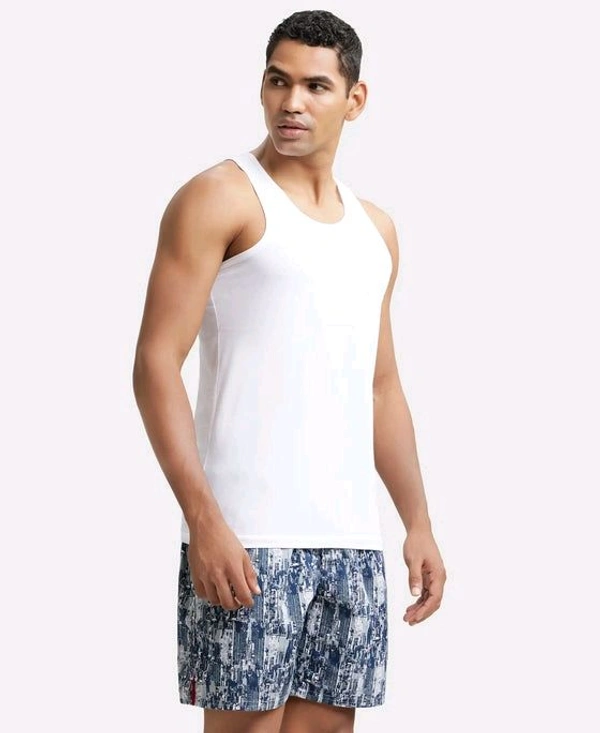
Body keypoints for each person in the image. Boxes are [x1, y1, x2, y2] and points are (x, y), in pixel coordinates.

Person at [133, 9, 447, 733]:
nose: (291, 103)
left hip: (350, 542)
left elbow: (381, 387)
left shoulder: (376, 230)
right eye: (278, 81)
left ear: (355, 99)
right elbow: (155, 362)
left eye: (315, 86)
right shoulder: (219, 196)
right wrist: (204, 519)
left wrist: (418, 521)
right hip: (247, 535)